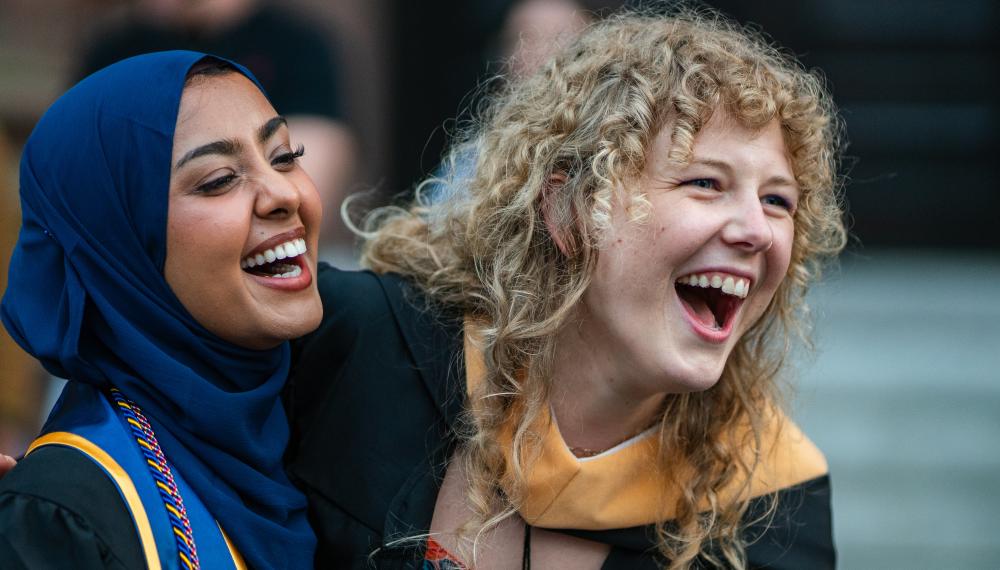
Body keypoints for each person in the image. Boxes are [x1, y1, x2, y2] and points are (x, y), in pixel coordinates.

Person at [285, 9, 845, 570]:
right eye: (704, 182)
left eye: (778, 200)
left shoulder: (769, 503)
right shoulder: (359, 350)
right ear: (569, 210)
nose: (756, 230)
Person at [0, 51, 323, 569]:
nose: (284, 192)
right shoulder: (70, 510)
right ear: (118, 245)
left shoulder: (330, 398)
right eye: (219, 179)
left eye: (285, 156)